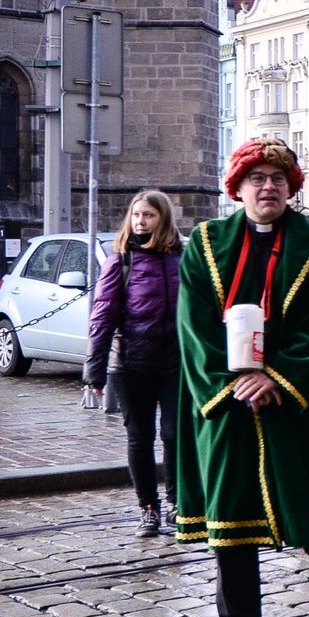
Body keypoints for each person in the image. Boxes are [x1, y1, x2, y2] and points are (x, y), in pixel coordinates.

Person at [175, 139, 309, 617]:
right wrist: (231, 383)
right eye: (256, 178)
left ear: (290, 187)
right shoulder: (206, 243)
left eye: (278, 178)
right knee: (231, 514)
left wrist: (278, 377)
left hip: (298, 399)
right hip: (228, 400)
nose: (268, 187)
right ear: (237, 188)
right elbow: (192, 325)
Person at [83, 190, 182, 537]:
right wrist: (94, 369)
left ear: (163, 219)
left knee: (174, 434)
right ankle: (148, 509)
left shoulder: (182, 258)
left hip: (175, 363)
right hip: (131, 364)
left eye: (149, 215)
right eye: (136, 215)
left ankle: (177, 503)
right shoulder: (121, 261)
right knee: (140, 437)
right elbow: (102, 317)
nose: (141, 221)